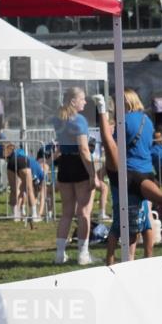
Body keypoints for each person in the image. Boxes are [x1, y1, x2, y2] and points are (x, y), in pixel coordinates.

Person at [94, 92, 162, 264]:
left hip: (129, 174)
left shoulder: (125, 120)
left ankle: (110, 261)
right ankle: (147, 258)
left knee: (120, 223)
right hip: (147, 171)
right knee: (148, 216)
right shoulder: (147, 121)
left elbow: (112, 143)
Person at [53, 87, 97, 265]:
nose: (85, 102)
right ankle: (83, 254)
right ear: (73, 101)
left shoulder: (59, 118)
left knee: (66, 213)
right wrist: (93, 174)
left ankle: (60, 254)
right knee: (84, 212)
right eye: (82, 99)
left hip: (64, 165)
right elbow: (84, 150)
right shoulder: (79, 120)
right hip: (79, 165)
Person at [1, 143, 38, 224]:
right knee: (29, 190)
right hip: (23, 162)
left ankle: (14, 215)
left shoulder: (10, 154)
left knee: (14, 190)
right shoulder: (23, 153)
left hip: (11, 163)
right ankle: (34, 215)